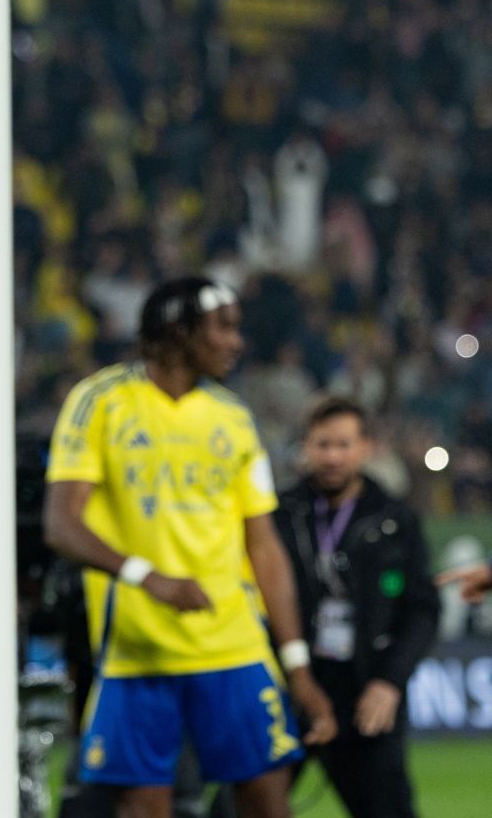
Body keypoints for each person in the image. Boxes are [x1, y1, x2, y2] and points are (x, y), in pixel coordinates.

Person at [43, 278, 336, 818]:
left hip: (234, 648)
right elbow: (62, 524)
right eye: (223, 327)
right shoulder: (101, 401)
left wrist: (296, 665)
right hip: (136, 654)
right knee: (145, 810)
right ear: (179, 332)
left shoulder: (233, 417)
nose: (236, 342)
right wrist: (148, 578)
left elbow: (264, 547)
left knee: (271, 807)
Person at [272, 397, 437, 818]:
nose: (332, 457)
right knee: (242, 806)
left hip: (366, 691)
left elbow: (421, 611)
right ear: (306, 448)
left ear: (366, 448)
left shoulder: (396, 521)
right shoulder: (277, 517)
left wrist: (390, 682)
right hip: (290, 687)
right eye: (322, 445)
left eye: (343, 445)